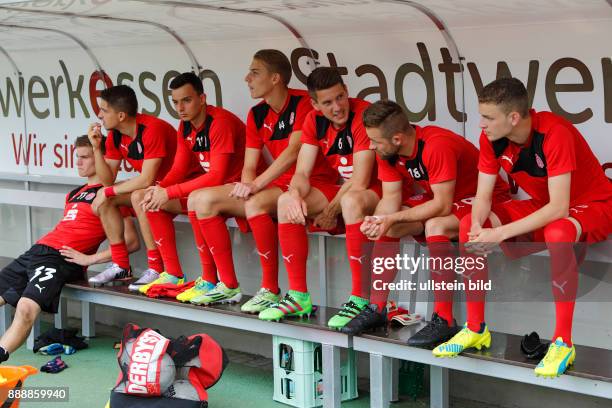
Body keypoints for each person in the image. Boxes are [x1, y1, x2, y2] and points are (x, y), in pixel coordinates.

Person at [432, 78, 612, 378]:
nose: (482, 124)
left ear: (513, 118)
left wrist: (499, 234)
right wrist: (478, 226)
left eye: (488, 117)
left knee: (558, 232)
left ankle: (563, 342)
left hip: (595, 205)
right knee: (466, 225)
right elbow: (484, 196)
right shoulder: (490, 139)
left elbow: (559, 208)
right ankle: (476, 328)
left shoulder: (554, 133)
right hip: (548, 206)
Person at [341, 100, 509, 339]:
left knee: (435, 225)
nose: (371, 145)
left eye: (376, 141)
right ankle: (377, 307)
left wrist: (391, 217)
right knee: (390, 227)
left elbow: (442, 204)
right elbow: (391, 197)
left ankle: (444, 318)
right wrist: (380, 220)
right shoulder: (387, 150)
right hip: (446, 199)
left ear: (397, 139)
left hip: (484, 199)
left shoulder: (435, 145)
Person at [190, 49, 319, 309]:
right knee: (200, 200)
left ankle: (271, 289)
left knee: (255, 203)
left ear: (275, 79)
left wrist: (256, 185)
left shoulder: (303, 102)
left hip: (309, 184)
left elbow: (294, 152)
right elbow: (250, 165)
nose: (247, 78)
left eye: (255, 72)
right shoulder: (256, 113)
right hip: (277, 185)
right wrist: (247, 185)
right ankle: (226, 285)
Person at [0, 136, 139, 364]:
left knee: (26, 309)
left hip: (60, 260)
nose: (78, 162)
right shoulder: (73, 193)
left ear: (102, 159)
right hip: (38, 251)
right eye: (77, 157)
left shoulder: (110, 194)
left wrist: (90, 259)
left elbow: (131, 242)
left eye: (85, 157)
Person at [257, 67, 377, 328]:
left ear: (346, 92)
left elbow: (361, 179)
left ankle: (360, 299)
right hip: (345, 190)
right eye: (327, 102)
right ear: (315, 104)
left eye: (340, 97)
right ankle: (298, 295)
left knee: (351, 200)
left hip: (377, 189)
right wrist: (294, 194)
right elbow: (301, 171)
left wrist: (330, 212)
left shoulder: (362, 114)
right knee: (285, 202)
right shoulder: (313, 120)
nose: (336, 107)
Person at [134, 72, 246, 301]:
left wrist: (170, 192)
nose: (180, 107)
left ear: (202, 98)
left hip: (239, 190)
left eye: (186, 100)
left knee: (197, 198)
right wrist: (160, 188)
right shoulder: (185, 126)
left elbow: (217, 175)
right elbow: (179, 169)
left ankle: (226, 283)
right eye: (175, 102)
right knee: (147, 199)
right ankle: (174, 274)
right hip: (213, 193)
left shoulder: (219, 122)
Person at [87, 85, 178, 286]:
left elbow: (146, 179)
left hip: (180, 189)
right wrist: (96, 148)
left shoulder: (152, 128)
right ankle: (121, 266)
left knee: (138, 196)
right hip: (156, 190)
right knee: (107, 199)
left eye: (104, 110)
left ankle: (156, 267)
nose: (99, 115)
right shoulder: (115, 135)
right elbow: (107, 180)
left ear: (120, 115)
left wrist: (107, 190)